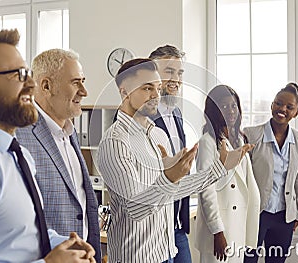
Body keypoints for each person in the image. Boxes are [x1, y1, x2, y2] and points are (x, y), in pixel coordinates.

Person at [96, 58, 252, 263]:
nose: (156, 95)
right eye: (147, 88)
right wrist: (170, 177)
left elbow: (172, 192)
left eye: (158, 88)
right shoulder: (115, 142)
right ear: (124, 92)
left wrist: (218, 169)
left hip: (166, 251)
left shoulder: (157, 135)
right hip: (136, 258)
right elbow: (136, 209)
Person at [0, 29, 95, 262]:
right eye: (17, 75)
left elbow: (22, 233)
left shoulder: (17, 155)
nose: (31, 84)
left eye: (27, 73)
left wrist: (62, 243)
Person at [16, 49, 101, 263]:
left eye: (83, 81)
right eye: (75, 83)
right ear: (46, 86)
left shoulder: (69, 133)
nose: (84, 91)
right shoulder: (19, 136)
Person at [195, 85, 260, 263]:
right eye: (224, 106)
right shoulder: (207, 142)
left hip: (237, 225)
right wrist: (218, 232)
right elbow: (206, 190)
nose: (231, 111)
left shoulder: (239, 139)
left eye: (233, 106)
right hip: (219, 230)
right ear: (214, 111)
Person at [243, 83, 298, 263]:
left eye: (289, 107)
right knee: (248, 260)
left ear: (296, 113)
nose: (282, 109)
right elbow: (240, 177)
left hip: (284, 216)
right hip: (256, 213)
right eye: (278, 103)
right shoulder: (251, 134)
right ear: (272, 105)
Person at [148, 44, 192, 262]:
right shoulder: (142, 116)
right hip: (155, 228)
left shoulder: (177, 113)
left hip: (177, 223)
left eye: (179, 73)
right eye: (169, 72)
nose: (176, 79)